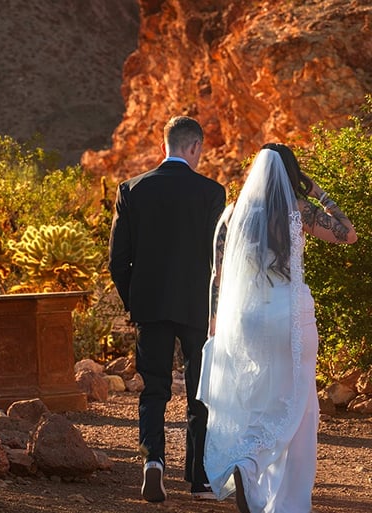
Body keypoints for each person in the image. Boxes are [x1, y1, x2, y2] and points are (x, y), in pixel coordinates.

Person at [198, 143, 357, 513]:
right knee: (300, 404)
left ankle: (250, 467)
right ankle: (278, 491)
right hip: (291, 314)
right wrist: (318, 191)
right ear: (292, 174)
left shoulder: (232, 215)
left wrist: (214, 325)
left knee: (261, 398)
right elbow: (348, 234)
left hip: (248, 318)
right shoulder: (300, 211)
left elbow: (217, 277)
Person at [109, 115, 226, 502]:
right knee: (199, 392)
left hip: (150, 306)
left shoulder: (131, 189)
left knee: (153, 391)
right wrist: (215, 307)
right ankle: (199, 480)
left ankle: (153, 462)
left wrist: (136, 301)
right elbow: (219, 259)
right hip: (196, 307)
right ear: (194, 147)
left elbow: (117, 260)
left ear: (166, 146)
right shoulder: (212, 192)